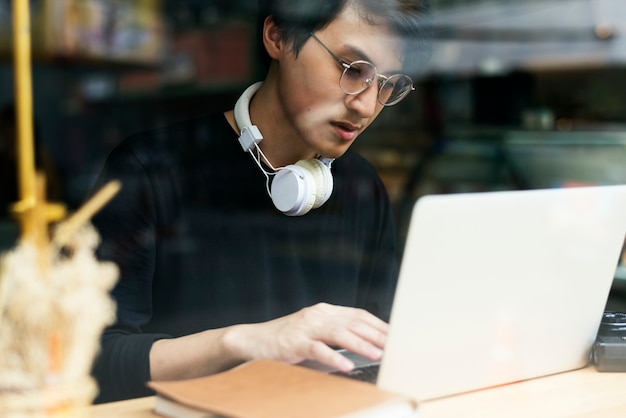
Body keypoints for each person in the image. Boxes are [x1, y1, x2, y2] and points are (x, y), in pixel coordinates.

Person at [91, 0, 432, 403]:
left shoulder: (362, 187)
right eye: (352, 70)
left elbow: (383, 347)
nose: (366, 105)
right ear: (276, 37)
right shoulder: (148, 170)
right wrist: (245, 342)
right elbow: (93, 361)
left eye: (387, 84)